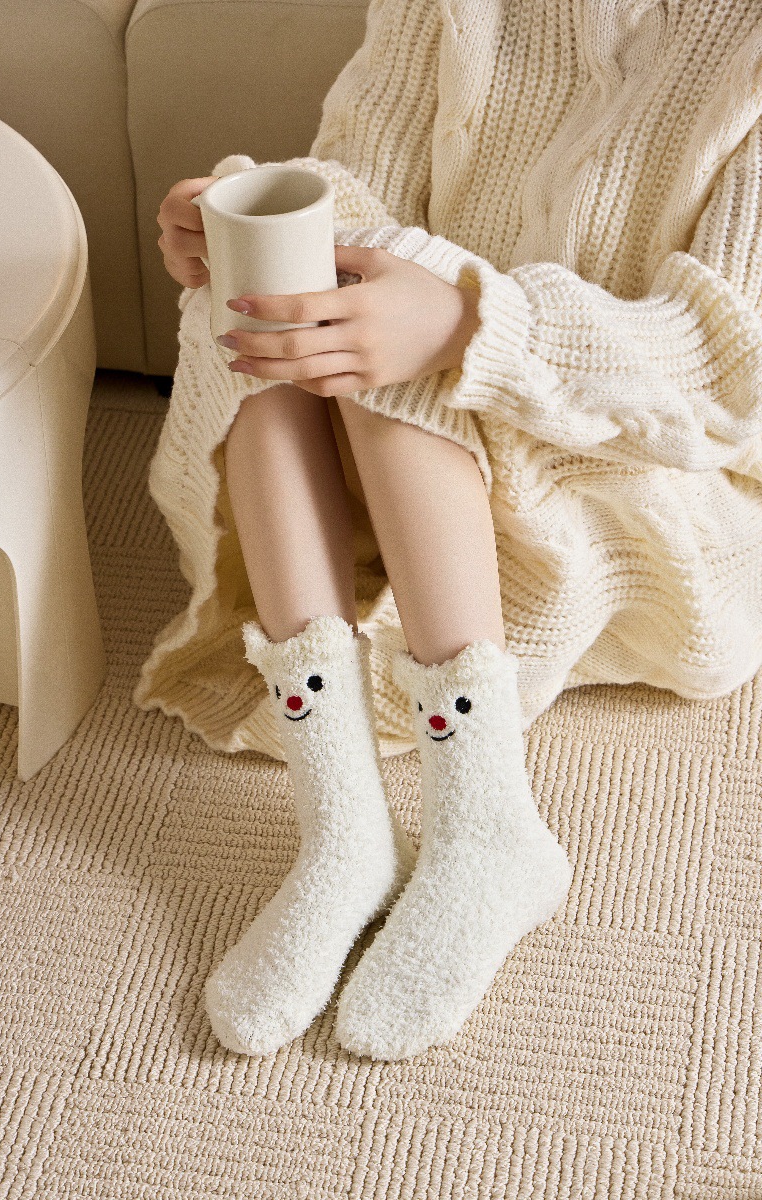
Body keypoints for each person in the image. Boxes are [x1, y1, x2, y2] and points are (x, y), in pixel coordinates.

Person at [147, 0, 762, 1061]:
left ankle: (486, 826)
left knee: (382, 298)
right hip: (416, 473)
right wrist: (245, 220)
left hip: (651, 482)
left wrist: (473, 323)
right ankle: (344, 830)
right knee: (270, 302)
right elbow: (358, 196)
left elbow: (729, 363)